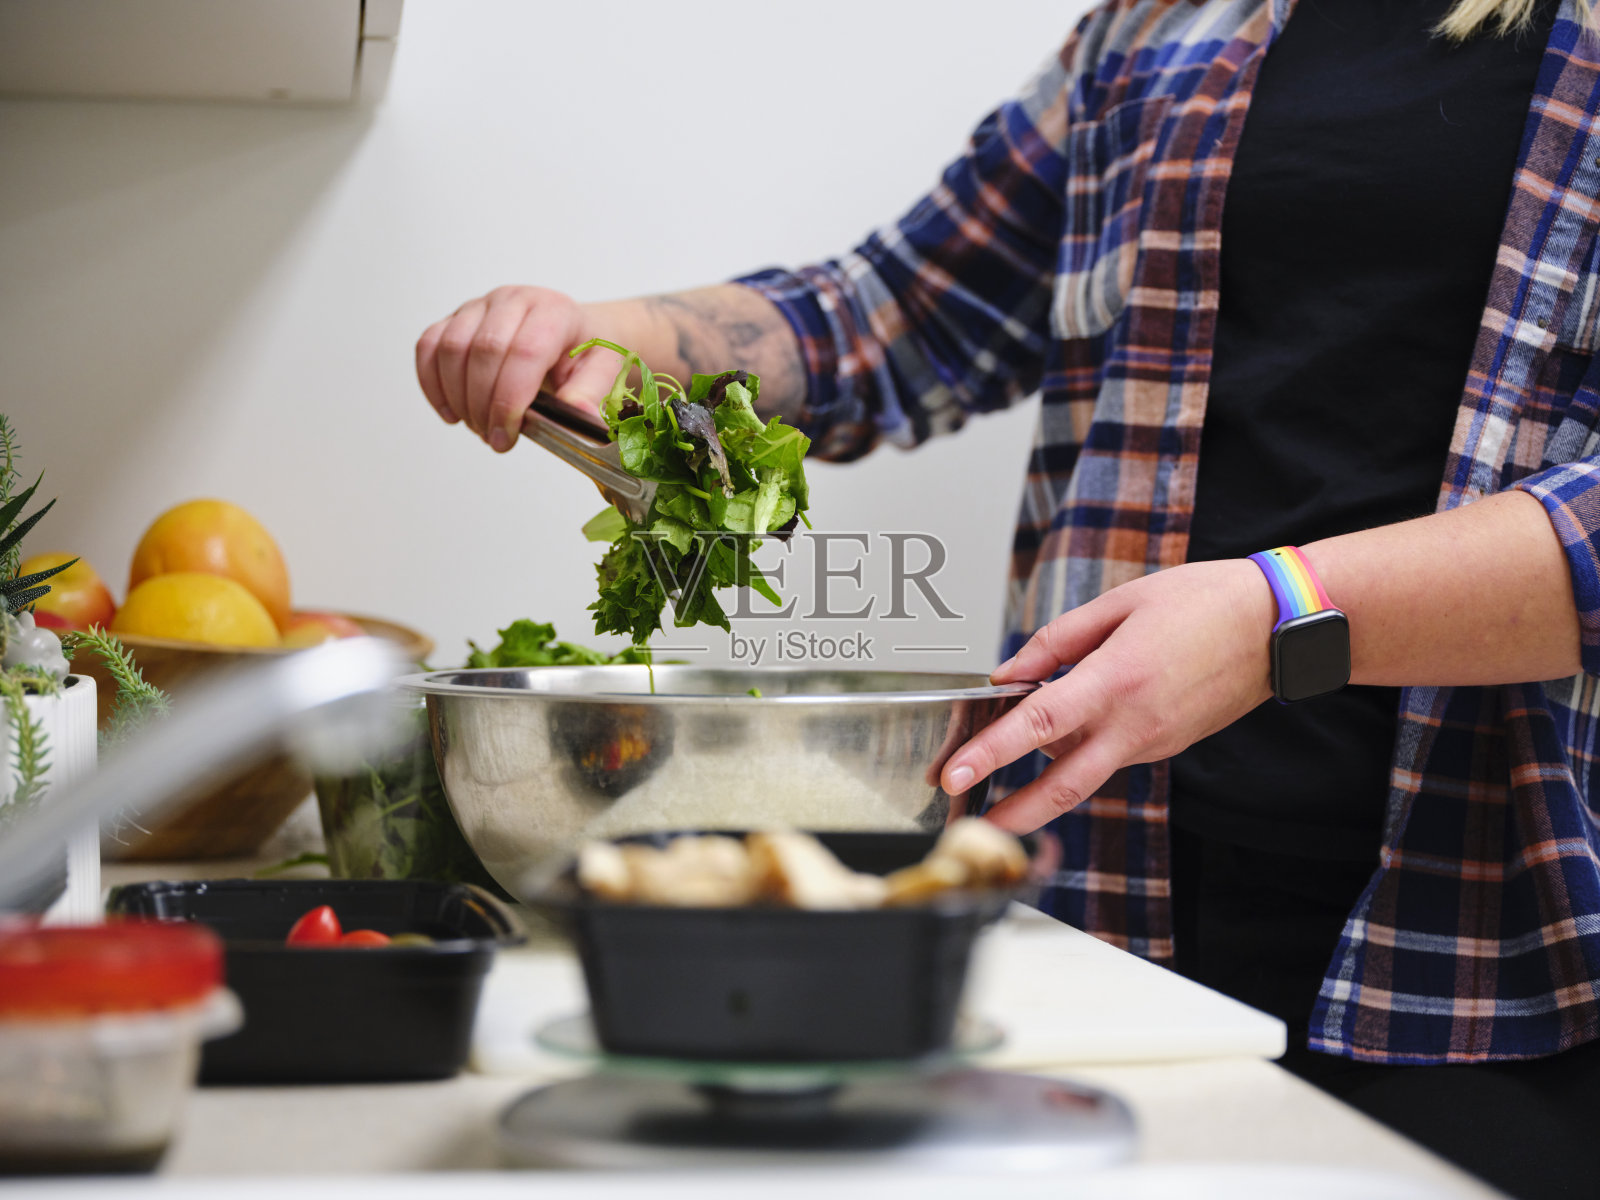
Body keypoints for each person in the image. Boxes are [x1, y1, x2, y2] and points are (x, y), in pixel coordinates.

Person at [416, 0, 1600, 1193]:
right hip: (1113, 919)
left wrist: (1275, 620)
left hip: (1504, 952)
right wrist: (613, 342)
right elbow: (897, 312)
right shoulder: (1165, 27)